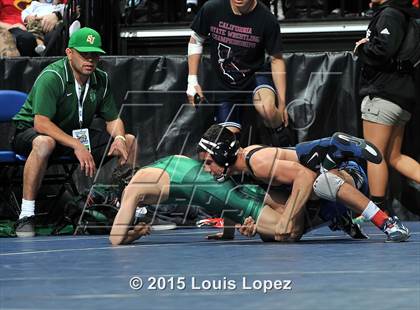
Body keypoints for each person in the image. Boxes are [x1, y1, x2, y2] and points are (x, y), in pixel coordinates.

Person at [12, 27, 137, 238]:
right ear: (69, 53)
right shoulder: (53, 77)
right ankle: (26, 215)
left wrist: (119, 138)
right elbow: (41, 123)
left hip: (73, 134)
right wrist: (77, 144)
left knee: (130, 141)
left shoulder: (101, 79)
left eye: (95, 55)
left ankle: (131, 209)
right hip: (31, 132)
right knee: (45, 142)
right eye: (84, 54)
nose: (90, 60)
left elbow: (113, 119)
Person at [197, 124, 410, 242]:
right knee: (280, 235)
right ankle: (339, 213)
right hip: (316, 183)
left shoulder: (257, 162)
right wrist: (233, 231)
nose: (206, 169)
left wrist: (285, 220)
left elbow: (305, 177)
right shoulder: (242, 168)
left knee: (323, 182)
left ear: (223, 154)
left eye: (208, 162)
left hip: (345, 172)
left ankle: (387, 222)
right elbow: (229, 199)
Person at [109, 155, 367, 246]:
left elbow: (115, 239)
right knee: (266, 206)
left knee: (285, 232)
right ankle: (326, 201)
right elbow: (207, 193)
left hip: (218, 193)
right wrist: (228, 233)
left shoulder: (133, 187)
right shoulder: (161, 165)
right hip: (221, 189)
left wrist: (134, 233)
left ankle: (328, 210)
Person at [186, 0, 288, 144]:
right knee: (225, 141)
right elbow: (196, 40)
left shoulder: (266, 19)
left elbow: (277, 59)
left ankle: (283, 138)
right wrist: (192, 81)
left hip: (255, 76)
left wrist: (282, 104)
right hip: (225, 84)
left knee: (267, 108)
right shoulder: (212, 8)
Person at [354, 0, 420, 212]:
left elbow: (382, 51)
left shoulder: (390, 14)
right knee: (394, 157)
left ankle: (376, 213)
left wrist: (363, 47)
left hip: (384, 94)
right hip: (399, 95)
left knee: (373, 154)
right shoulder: (402, 14)